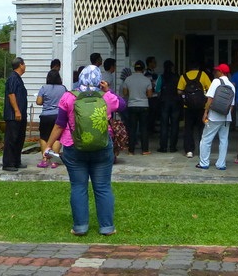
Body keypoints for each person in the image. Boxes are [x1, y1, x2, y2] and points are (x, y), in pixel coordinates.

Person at [45, 69, 120, 237]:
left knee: (78, 187)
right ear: (99, 80)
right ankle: (107, 227)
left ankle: (80, 227)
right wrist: (108, 90)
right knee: (103, 187)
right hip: (102, 147)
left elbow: (59, 124)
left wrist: (48, 146)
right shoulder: (105, 97)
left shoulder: (68, 97)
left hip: (74, 147)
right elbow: (122, 104)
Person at [196, 64, 235, 170]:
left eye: (217, 71)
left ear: (221, 72)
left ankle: (204, 163)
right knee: (224, 140)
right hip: (226, 117)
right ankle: (221, 164)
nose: (215, 72)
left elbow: (209, 99)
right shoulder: (231, 85)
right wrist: (227, 116)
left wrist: (205, 113)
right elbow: (231, 105)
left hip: (214, 116)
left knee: (206, 139)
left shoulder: (216, 82)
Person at [177, 61, 211, 158]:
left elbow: (179, 91)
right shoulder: (203, 75)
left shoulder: (184, 76)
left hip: (188, 107)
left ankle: (189, 151)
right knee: (202, 129)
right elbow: (210, 88)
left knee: (188, 129)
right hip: (201, 107)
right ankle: (203, 150)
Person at [36, 63, 67, 168]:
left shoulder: (44, 88)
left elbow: (39, 102)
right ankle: (54, 160)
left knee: (44, 137)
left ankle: (45, 159)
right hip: (58, 116)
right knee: (57, 138)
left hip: (45, 116)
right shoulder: (63, 88)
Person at [2, 57, 28, 171]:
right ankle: (8, 163)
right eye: (24, 64)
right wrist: (17, 110)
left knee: (19, 138)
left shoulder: (18, 79)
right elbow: (11, 95)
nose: (25, 66)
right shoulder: (12, 78)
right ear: (20, 65)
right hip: (13, 115)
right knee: (11, 139)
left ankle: (16, 161)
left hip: (21, 115)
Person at [122, 60, 152, 155]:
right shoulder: (147, 80)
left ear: (135, 68)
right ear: (143, 69)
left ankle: (131, 150)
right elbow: (150, 95)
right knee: (144, 128)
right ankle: (145, 150)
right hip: (144, 106)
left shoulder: (128, 79)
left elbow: (125, 93)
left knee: (132, 128)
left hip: (132, 105)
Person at [156, 59, 181, 152]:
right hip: (175, 102)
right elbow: (180, 89)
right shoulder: (177, 77)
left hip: (164, 102)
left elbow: (157, 90)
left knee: (164, 125)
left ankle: (163, 147)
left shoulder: (161, 77)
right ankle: (173, 147)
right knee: (175, 125)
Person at [145, 56, 159, 135]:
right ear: (149, 63)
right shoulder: (147, 73)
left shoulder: (153, 73)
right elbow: (151, 85)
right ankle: (149, 129)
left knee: (154, 113)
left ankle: (152, 128)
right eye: (154, 62)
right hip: (150, 96)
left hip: (155, 96)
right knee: (151, 114)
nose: (155, 63)